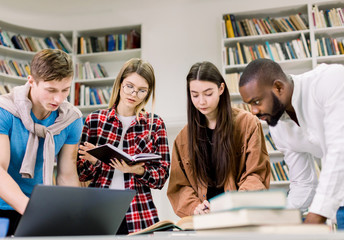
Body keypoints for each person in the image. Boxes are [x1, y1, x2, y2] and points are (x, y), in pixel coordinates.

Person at [0, 49, 83, 236]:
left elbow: (67, 175)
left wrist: (73, 215)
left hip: (36, 205)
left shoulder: (72, 119)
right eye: (51, 90)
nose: (58, 99)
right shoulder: (0, 110)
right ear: (31, 81)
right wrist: (34, 212)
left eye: (65, 90)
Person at [238, 58, 344, 227]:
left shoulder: (330, 81)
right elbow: (304, 183)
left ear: (278, 87)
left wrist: (315, 216)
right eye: (249, 105)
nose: (254, 111)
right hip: (341, 204)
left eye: (256, 102)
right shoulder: (277, 125)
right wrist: (279, 219)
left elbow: (340, 152)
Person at [77, 58, 170, 234]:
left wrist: (137, 171)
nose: (134, 94)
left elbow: (162, 177)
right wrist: (95, 162)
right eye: (129, 86)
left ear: (148, 93)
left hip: (139, 212)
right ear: (120, 84)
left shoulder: (155, 124)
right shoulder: (95, 120)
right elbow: (82, 174)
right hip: (98, 210)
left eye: (141, 90)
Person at [167, 61, 270, 217]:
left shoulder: (247, 124)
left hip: (238, 215)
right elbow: (179, 186)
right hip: (203, 219)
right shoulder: (183, 138)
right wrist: (195, 207)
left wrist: (231, 204)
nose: (201, 101)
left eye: (208, 93)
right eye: (194, 95)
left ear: (221, 88)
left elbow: (256, 174)